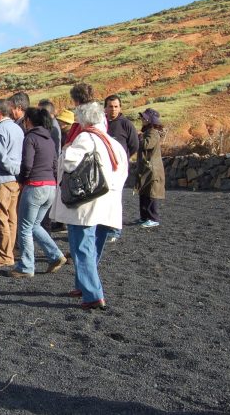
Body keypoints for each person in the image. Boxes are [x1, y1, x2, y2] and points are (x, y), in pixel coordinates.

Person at [50, 101, 128, 310]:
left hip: (86, 202)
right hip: (108, 201)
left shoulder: (85, 138)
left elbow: (69, 163)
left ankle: (93, 294)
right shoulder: (113, 142)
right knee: (94, 247)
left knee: (82, 246)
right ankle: (83, 284)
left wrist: (66, 150)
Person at [10, 108, 66, 278]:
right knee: (35, 225)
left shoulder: (31, 138)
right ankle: (55, 255)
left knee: (25, 227)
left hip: (35, 186)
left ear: (29, 121)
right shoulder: (49, 139)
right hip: (50, 186)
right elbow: (55, 164)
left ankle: (26, 266)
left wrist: (21, 180)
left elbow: (27, 164)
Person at [0, 99, 23, 267]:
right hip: (14, 180)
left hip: (1, 179)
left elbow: (1, 158)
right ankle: (11, 251)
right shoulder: (17, 128)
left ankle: (4, 256)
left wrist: (10, 169)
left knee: (0, 218)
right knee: (12, 218)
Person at [103, 94, 139, 242]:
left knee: (115, 198)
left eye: (116, 106)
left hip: (118, 169)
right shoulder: (102, 124)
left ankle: (115, 230)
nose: (113, 109)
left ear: (120, 107)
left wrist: (123, 159)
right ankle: (104, 228)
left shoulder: (126, 124)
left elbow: (134, 145)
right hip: (103, 167)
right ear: (105, 108)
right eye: (110, 106)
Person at [134, 108, 165, 228]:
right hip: (147, 168)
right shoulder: (149, 132)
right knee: (144, 193)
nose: (142, 119)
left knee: (152, 193)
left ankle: (153, 218)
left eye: (144, 117)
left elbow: (147, 145)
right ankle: (144, 217)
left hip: (152, 169)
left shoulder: (152, 132)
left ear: (149, 119)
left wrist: (139, 138)